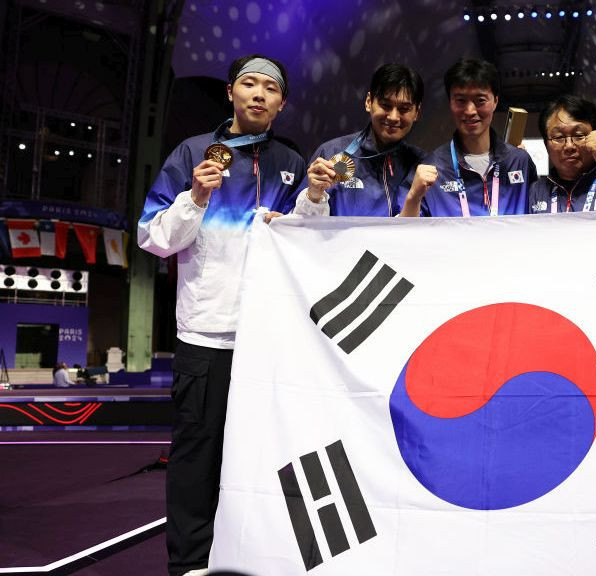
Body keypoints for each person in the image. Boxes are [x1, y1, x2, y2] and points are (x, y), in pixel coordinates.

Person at [138, 54, 304, 576]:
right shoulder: (191, 154)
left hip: (267, 340)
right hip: (207, 338)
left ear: (282, 102)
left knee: (258, 458)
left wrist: (313, 201)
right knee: (195, 460)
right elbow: (153, 239)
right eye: (249, 84)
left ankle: (246, 559)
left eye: (270, 88)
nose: (259, 94)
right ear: (231, 92)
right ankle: (187, 565)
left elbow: (304, 241)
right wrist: (196, 195)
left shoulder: (293, 163)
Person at [400, 58, 536, 217]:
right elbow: (405, 233)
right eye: (460, 101)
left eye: (480, 101)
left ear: (495, 101)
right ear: (450, 102)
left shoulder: (520, 161)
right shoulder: (432, 168)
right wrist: (414, 197)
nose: (470, 110)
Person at [297, 63, 426, 216]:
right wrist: (313, 195)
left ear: (417, 112)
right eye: (385, 105)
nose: (393, 117)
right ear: (368, 102)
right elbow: (299, 226)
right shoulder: (331, 152)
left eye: (404, 109)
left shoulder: (422, 165)